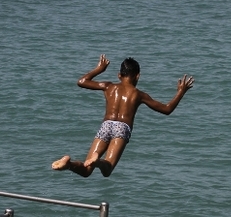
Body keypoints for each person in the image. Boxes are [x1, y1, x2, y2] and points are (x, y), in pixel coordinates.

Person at [52, 54, 195, 177]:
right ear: (137, 76)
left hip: (106, 125)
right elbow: (167, 109)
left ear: (119, 75)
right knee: (107, 170)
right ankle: (98, 162)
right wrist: (181, 92)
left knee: (86, 171)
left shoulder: (109, 87)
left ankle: (69, 164)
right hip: (122, 127)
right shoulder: (138, 94)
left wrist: (100, 69)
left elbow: (81, 82)